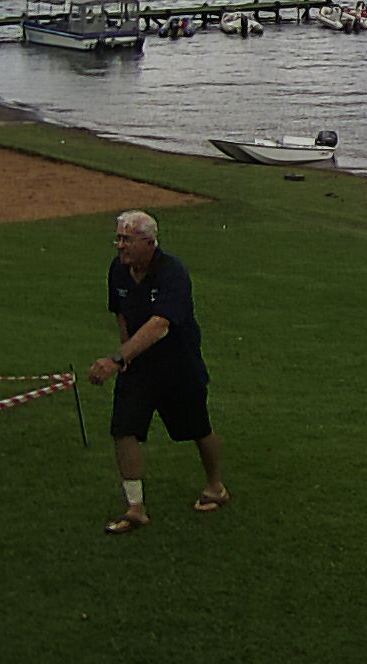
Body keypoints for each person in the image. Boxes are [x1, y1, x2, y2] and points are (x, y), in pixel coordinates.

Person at [88, 210, 226, 535]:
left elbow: (160, 325)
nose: (120, 246)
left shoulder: (172, 273)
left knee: (196, 428)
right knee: (124, 428)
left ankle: (215, 486)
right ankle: (135, 508)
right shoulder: (118, 270)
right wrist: (127, 357)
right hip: (138, 364)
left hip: (178, 366)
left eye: (127, 240)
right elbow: (121, 314)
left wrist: (118, 359)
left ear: (149, 242)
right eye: (118, 239)